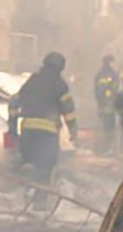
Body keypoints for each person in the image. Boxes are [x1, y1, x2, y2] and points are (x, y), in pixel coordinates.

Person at [11, 51, 79, 190]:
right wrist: (73, 132)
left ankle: (26, 193)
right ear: (61, 68)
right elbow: (69, 112)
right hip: (47, 134)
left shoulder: (32, 81)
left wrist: (12, 124)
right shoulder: (60, 85)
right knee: (45, 168)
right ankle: (39, 203)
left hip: (28, 131)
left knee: (28, 163)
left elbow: (14, 101)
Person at [93, 56, 120, 146]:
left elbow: (97, 90)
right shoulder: (112, 75)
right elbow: (114, 89)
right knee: (109, 126)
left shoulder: (99, 74)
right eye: (113, 62)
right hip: (109, 104)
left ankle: (103, 146)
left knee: (103, 125)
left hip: (103, 104)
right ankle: (107, 146)